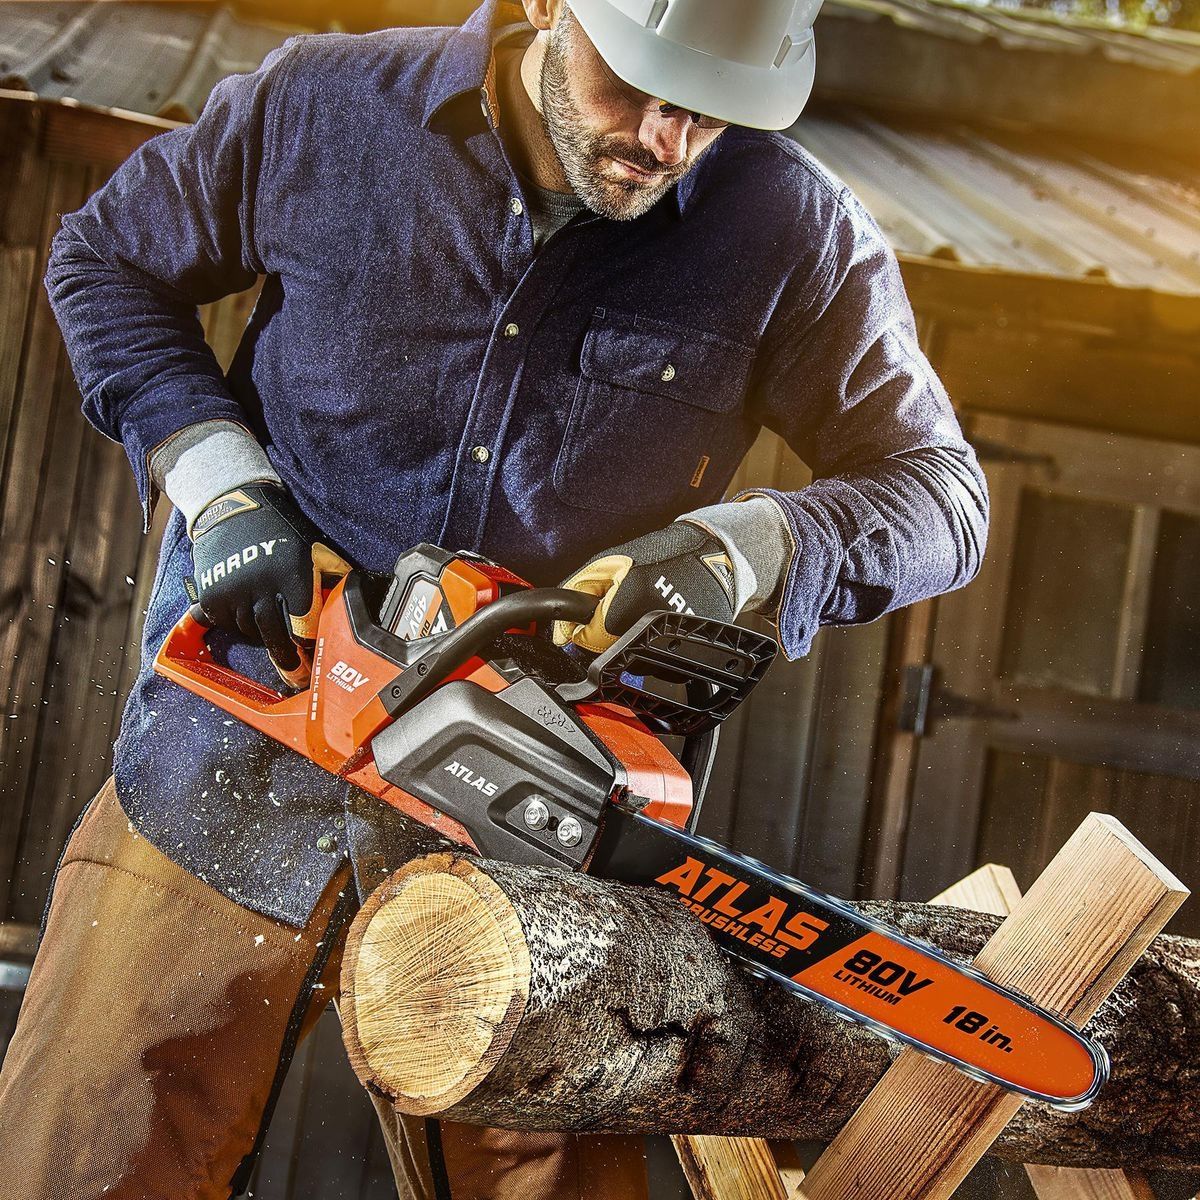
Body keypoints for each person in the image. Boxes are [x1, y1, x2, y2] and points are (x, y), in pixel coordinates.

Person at [0, 0, 989, 1195]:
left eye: (710, 112)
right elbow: (104, 258)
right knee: (85, 1159)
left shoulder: (792, 231)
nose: (668, 139)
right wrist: (217, 482)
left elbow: (942, 497)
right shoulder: (323, 109)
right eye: (637, 88)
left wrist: (753, 544)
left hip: (543, 847)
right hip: (232, 768)